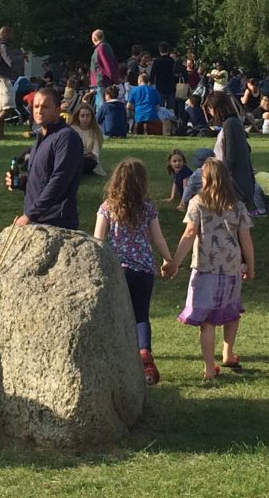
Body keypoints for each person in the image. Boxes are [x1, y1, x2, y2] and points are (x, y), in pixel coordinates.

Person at [162, 158, 255, 381]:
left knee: (207, 321)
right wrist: (250, 266)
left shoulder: (198, 203)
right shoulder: (237, 205)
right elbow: (246, 239)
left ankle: (209, 367)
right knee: (232, 312)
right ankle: (228, 352)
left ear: (207, 179)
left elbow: (189, 234)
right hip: (232, 267)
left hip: (206, 267)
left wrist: (174, 262)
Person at [93, 158, 173, 385]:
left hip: (118, 270)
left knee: (117, 315)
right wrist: (169, 260)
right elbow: (157, 238)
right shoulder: (148, 208)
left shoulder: (107, 208)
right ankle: (144, 353)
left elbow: (98, 239)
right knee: (141, 314)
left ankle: (118, 359)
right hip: (144, 270)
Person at [5, 87, 83, 229]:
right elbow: (43, 177)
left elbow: (60, 180)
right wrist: (22, 182)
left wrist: (30, 215)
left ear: (57, 110)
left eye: (45, 106)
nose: (39, 110)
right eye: (36, 106)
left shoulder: (66, 137)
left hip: (56, 222)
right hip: (37, 219)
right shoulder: (42, 136)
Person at [204, 91, 260, 215]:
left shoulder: (230, 124)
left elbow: (231, 154)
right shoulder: (233, 123)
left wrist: (224, 176)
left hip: (233, 179)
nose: (209, 111)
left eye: (210, 108)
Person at [0, 26, 23, 139]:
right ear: (5, 34)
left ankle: (1, 134)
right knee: (9, 106)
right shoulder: (3, 46)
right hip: (3, 80)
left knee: (1, 108)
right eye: (10, 33)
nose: (11, 36)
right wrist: (19, 60)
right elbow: (10, 62)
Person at [69, 103, 106, 176]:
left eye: (88, 116)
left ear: (92, 117)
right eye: (82, 116)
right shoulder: (72, 129)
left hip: (88, 159)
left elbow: (95, 154)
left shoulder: (96, 131)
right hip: (73, 158)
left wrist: (86, 155)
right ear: (78, 117)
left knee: (89, 163)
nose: (85, 118)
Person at [89, 29, 118, 114]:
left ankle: (101, 126)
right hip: (103, 81)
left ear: (94, 38)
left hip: (102, 82)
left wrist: (114, 79)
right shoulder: (106, 47)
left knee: (102, 108)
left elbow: (107, 65)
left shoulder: (101, 48)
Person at [149, 43, 177, 111]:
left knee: (160, 108)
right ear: (168, 50)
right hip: (171, 87)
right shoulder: (172, 61)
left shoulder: (157, 61)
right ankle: (170, 120)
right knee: (171, 109)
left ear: (159, 50)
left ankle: (162, 120)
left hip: (160, 87)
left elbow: (152, 74)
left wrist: (150, 82)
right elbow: (175, 73)